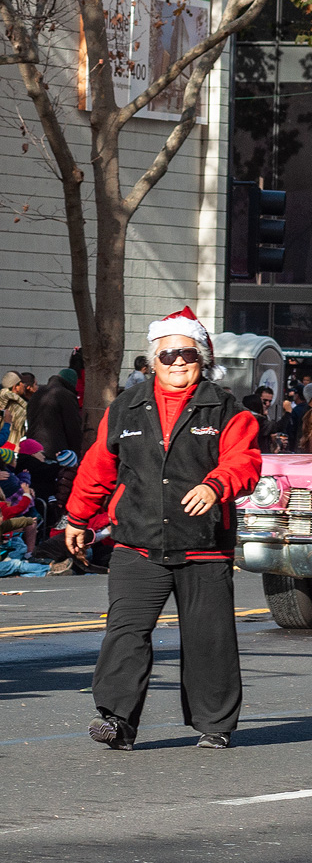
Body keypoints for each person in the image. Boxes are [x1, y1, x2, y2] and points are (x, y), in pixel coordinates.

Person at [64, 306, 260, 751]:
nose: (178, 363)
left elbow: (244, 461)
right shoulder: (126, 408)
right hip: (136, 543)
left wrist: (217, 485)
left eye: (187, 355)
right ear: (153, 360)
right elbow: (97, 469)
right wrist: (77, 518)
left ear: (202, 359)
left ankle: (215, 724)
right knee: (125, 633)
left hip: (203, 546)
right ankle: (115, 719)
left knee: (208, 639)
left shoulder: (228, 408)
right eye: (168, 355)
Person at [25, 368, 82, 459]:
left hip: (33, 448)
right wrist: (76, 453)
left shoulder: (37, 393)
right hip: (55, 451)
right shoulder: (66, 395)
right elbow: (73, 427)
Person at [0, 372, 29, 447]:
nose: (25, 385)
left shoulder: (2, 401)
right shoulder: (17, 407)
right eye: (22, 383)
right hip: (12, 449)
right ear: (15, 387)